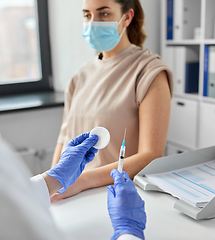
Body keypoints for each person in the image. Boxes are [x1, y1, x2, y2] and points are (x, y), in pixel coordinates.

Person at [0, 0, 146, 239]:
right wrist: (128, 231)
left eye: (103, 14)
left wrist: (52, 180)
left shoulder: (145, 69)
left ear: (127, 17)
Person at [50, 0, 173, 202]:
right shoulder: (80, 76)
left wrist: (80, 181)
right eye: (87, 15)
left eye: (104, 14)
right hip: (70, 194)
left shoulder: (149, 71)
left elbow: (151, 155)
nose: (93, 23)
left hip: (117, 196)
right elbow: (63, 139)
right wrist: (50, 183)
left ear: (127, 17)